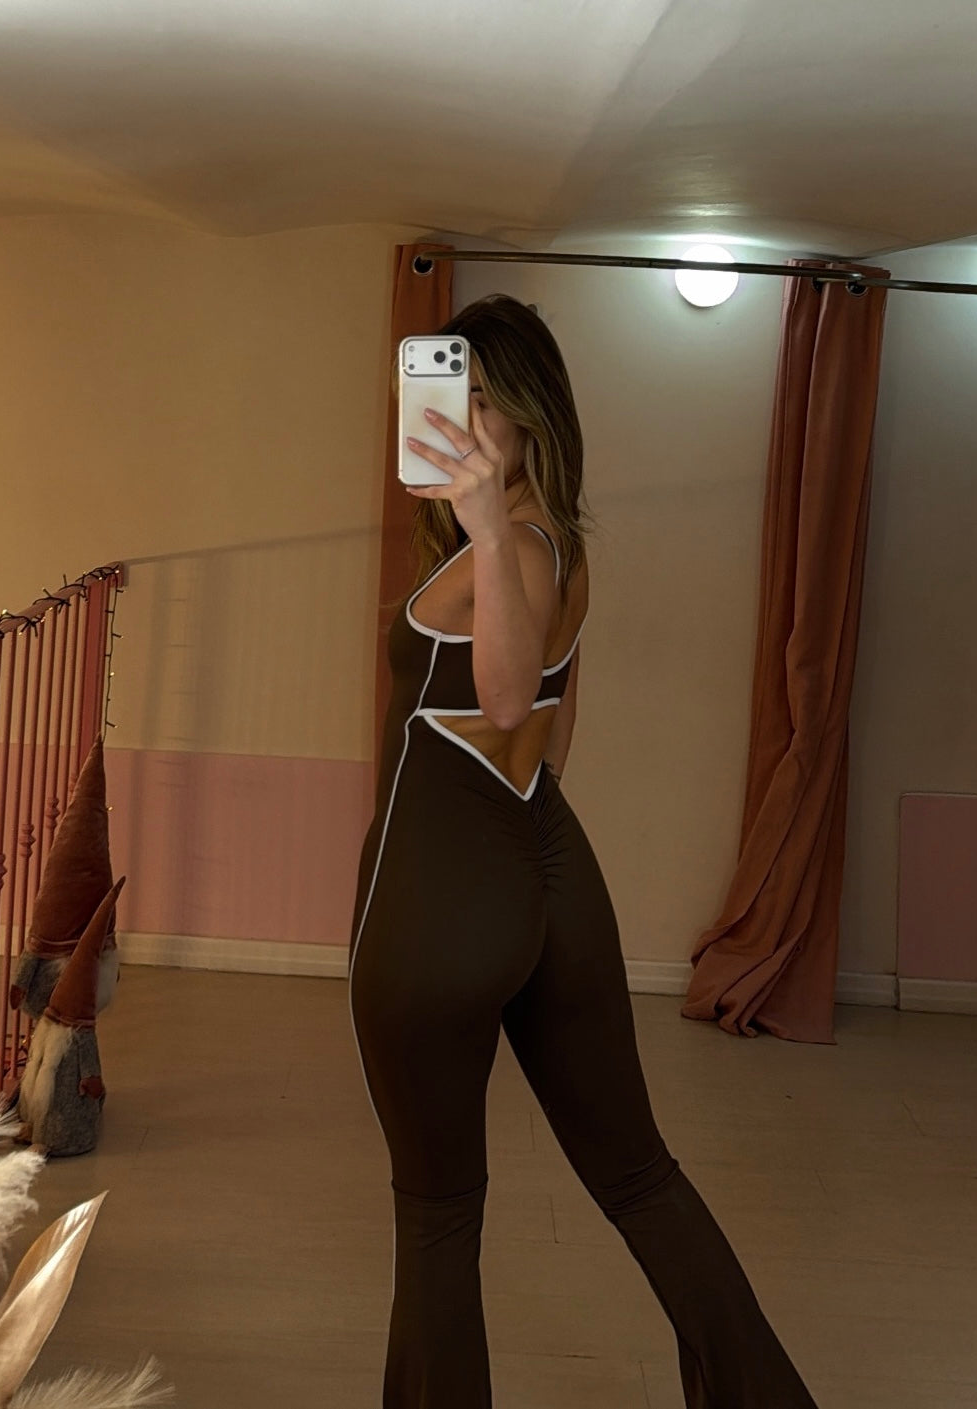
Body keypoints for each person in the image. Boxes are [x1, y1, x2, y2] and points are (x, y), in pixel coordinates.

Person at [347, 293, 820, 1408]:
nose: (463, 422)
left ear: (532, 415)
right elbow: (554, 737)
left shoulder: (508, 544)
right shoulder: (560, 544)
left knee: (438, 1213)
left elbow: (511, 696)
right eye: (451, 397)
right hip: (546, 867)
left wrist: (483, 529)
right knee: (639, 1171)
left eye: (485, 402)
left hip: (435, 902)